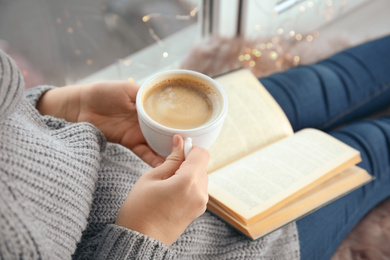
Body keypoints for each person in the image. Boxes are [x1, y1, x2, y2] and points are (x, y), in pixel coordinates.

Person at [0, 34, 389, 260]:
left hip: (121, 140)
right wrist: (145, 233)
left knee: (331, 82)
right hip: (211, 243)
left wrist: (56, 107)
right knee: (372, 146)